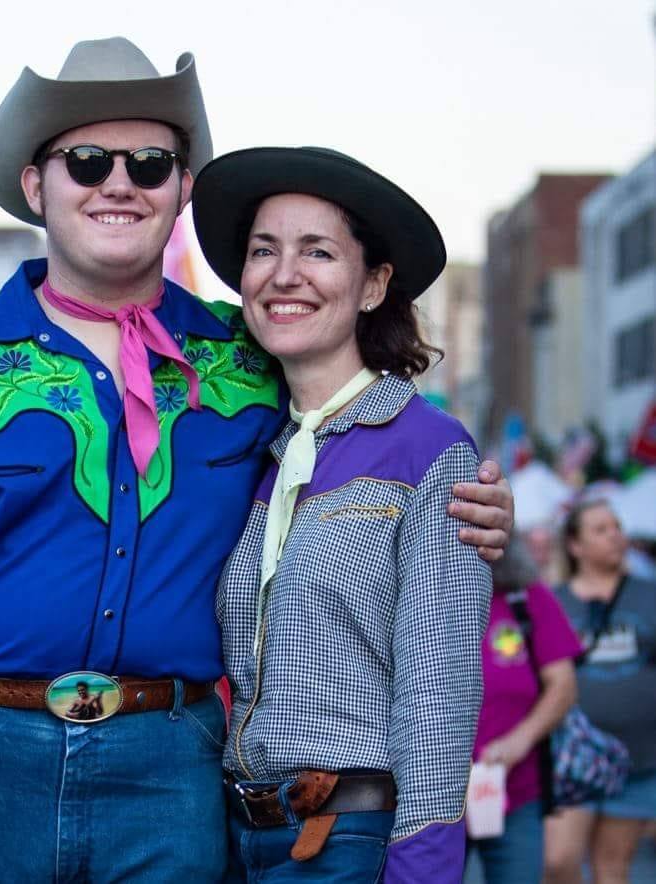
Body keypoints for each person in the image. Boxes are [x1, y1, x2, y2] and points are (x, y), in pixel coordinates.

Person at [0, 39, 514, 884]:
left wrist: (479, 504)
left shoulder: (250, 362)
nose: (117, 182)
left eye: (148, 163)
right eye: (86, 161)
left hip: (171, 781)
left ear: (181, 189)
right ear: (37, 186)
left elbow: (367, 434)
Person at [191, 146, 493, 882]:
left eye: (318, 252)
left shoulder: (430, 448)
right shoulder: (244, 446)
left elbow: (438, 690)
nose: (284, 274)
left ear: (372, 285)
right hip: (229, 840)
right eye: (265, 250)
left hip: (352, 840)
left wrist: (423, 865)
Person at [545, 500, 656, 884]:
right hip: (573, 758)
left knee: (612, 870)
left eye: (616, 526)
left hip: (638, 759)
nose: (615, 536)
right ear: (575, 546)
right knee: (558, 862)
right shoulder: (554, 600)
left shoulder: (649, 594)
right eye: (600, 529)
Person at [466, 537, 580, 883]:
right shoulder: (423, 601)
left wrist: (519, 741)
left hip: (516, 789)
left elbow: (563, 686)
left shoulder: (527, 597)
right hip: (432, 792)